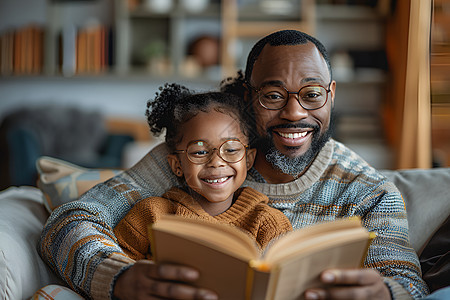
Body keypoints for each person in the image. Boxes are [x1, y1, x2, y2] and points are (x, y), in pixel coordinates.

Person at [38, 30, 429, 300]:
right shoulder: (201, 159)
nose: (294, 113)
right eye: (273, 95)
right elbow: (67, 222)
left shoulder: (368, 191)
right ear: (247, 94)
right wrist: (118, 278)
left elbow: (410, 285)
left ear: (331, 95)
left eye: (311, 94)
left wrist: (385, 293)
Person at [113, 84, 292, 260]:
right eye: (199, 152)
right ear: (177, 165)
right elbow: (117, 267)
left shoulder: (267, 223)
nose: (216, 162)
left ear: (248, 159)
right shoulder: (152, 215)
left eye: (230, 150)